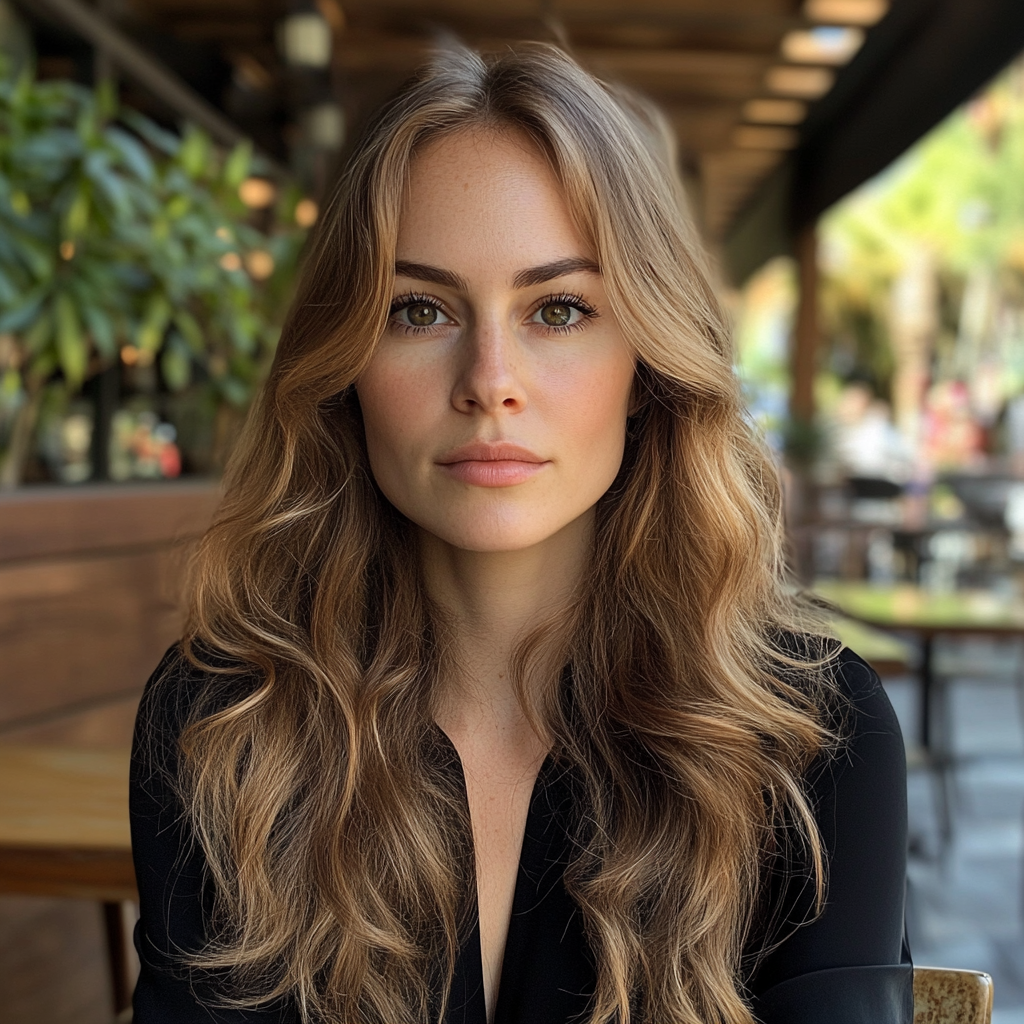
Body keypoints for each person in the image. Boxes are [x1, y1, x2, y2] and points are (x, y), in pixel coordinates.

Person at [130, 43, 911, 1024]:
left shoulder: (812, 736)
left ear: (649, 366)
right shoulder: (225, 723)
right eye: (418, 309)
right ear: (345, 365)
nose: (488, 378)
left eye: (558, 308)